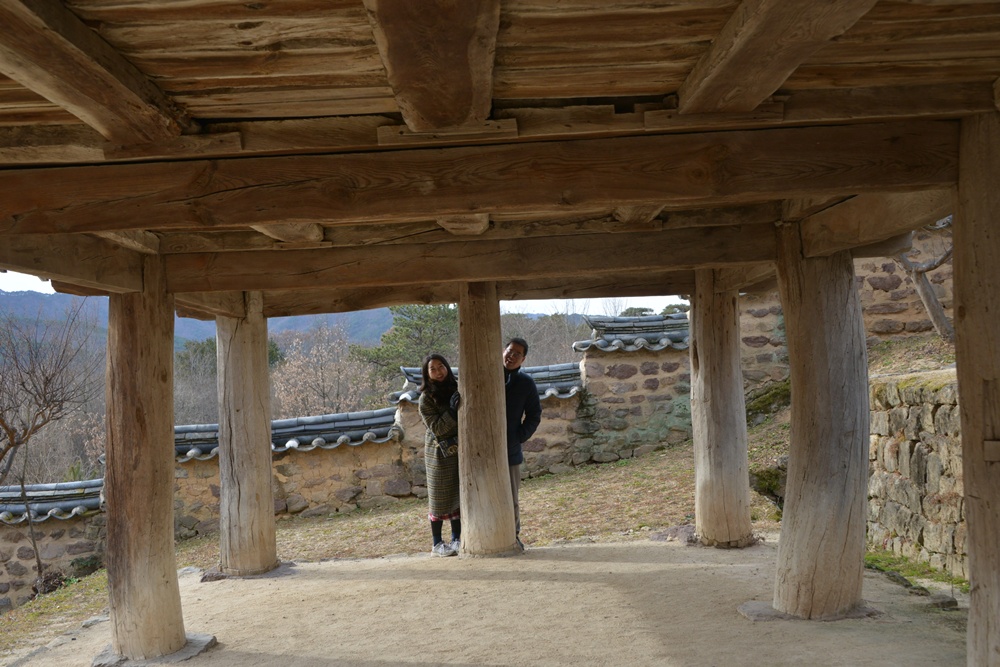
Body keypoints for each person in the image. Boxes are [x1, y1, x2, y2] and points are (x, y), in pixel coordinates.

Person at [418, 353, 462, 557]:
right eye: (432, 369)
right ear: (427, 374)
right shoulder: (426, 398)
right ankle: (437, 543)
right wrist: (452, 412)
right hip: (438, 451)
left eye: (441, 366)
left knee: (458, 494)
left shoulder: (458, 387)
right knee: (439, 497)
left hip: (461, 448)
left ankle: (457, 538)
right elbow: (437, 428)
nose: (438, 372)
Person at [503, 337, 542, 550]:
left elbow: (534, 414)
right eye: (510, 351)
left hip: (510, 449)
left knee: (511, 498)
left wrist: (518, 437)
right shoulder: (487, 375)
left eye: (517, 354)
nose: (512, 356)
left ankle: (513, 537)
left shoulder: (526, 383)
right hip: (482, 449)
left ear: (523, 359)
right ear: (503, 351)